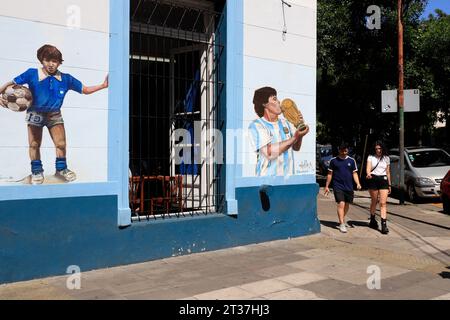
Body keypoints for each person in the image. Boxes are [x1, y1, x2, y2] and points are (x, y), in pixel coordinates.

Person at [0, 44, 108, 185]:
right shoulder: (31, 73)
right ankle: (37, 171)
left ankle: (61, 169)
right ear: (41, 60)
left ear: (59, 62)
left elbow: (85, 89)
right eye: (47, 60)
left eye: (55, 61)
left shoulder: (66, 78)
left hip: (54, 114)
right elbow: (12, 83)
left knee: (61, 144)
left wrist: (102, 85)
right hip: (35, 113)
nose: (51, 64)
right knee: (34, 144)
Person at [248, 86, 309, 176]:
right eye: (274, 99)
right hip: (267, 181)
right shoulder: (257, 125)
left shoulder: (285, 123)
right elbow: (269, 153)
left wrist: (300, 132)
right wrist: (295, 137)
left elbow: (296, 147)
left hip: (288, 180)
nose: (279, 102)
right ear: (264, 104)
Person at [324, 142, 362, 233]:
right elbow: (330, 174)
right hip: (338, 186)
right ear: (339, 150)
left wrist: (358, 183)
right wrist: (327, 186)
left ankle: (341, 219)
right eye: (342, 149)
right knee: (341, 203)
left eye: (345, 149)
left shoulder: (351, 161)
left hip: (349, 187)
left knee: (347, 205)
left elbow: (354, 173)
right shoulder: (334, 161)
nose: (344, 151)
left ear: (347, 150)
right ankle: (341, 223)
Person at [366, 141, 391, 234]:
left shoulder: (386, 158)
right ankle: (372, 219)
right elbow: (368, 169)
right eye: (376, 149)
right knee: (374, 201)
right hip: (373, 179)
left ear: (383, 149)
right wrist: (368, 174)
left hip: (383, 180)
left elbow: (388, 172)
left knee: (383, 203)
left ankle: (384, 225)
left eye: (380, 148)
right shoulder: (371, 157)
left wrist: (389, 184)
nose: (378, 150)